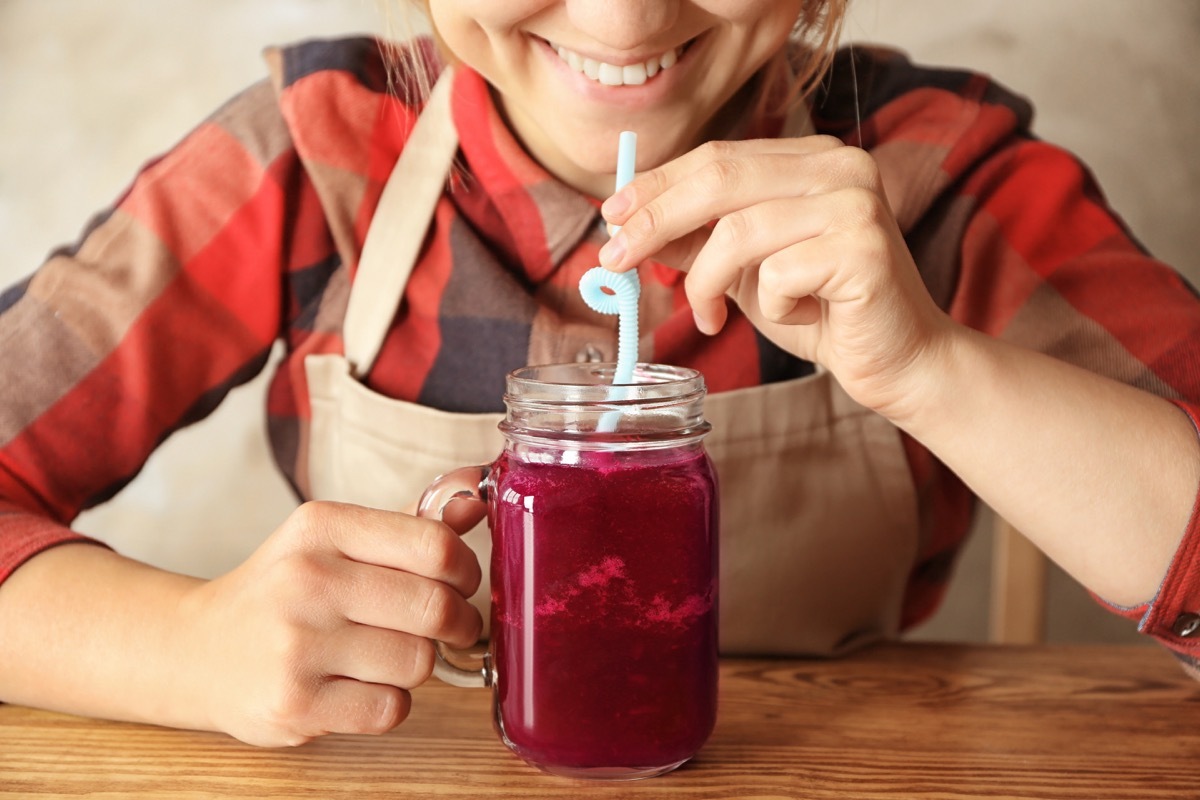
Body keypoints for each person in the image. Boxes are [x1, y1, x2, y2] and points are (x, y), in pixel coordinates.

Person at [1, 0, 1198, 749]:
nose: (624, 20)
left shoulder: (942, 170)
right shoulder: (311, 151)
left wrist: (936, 366)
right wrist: (190, 640)